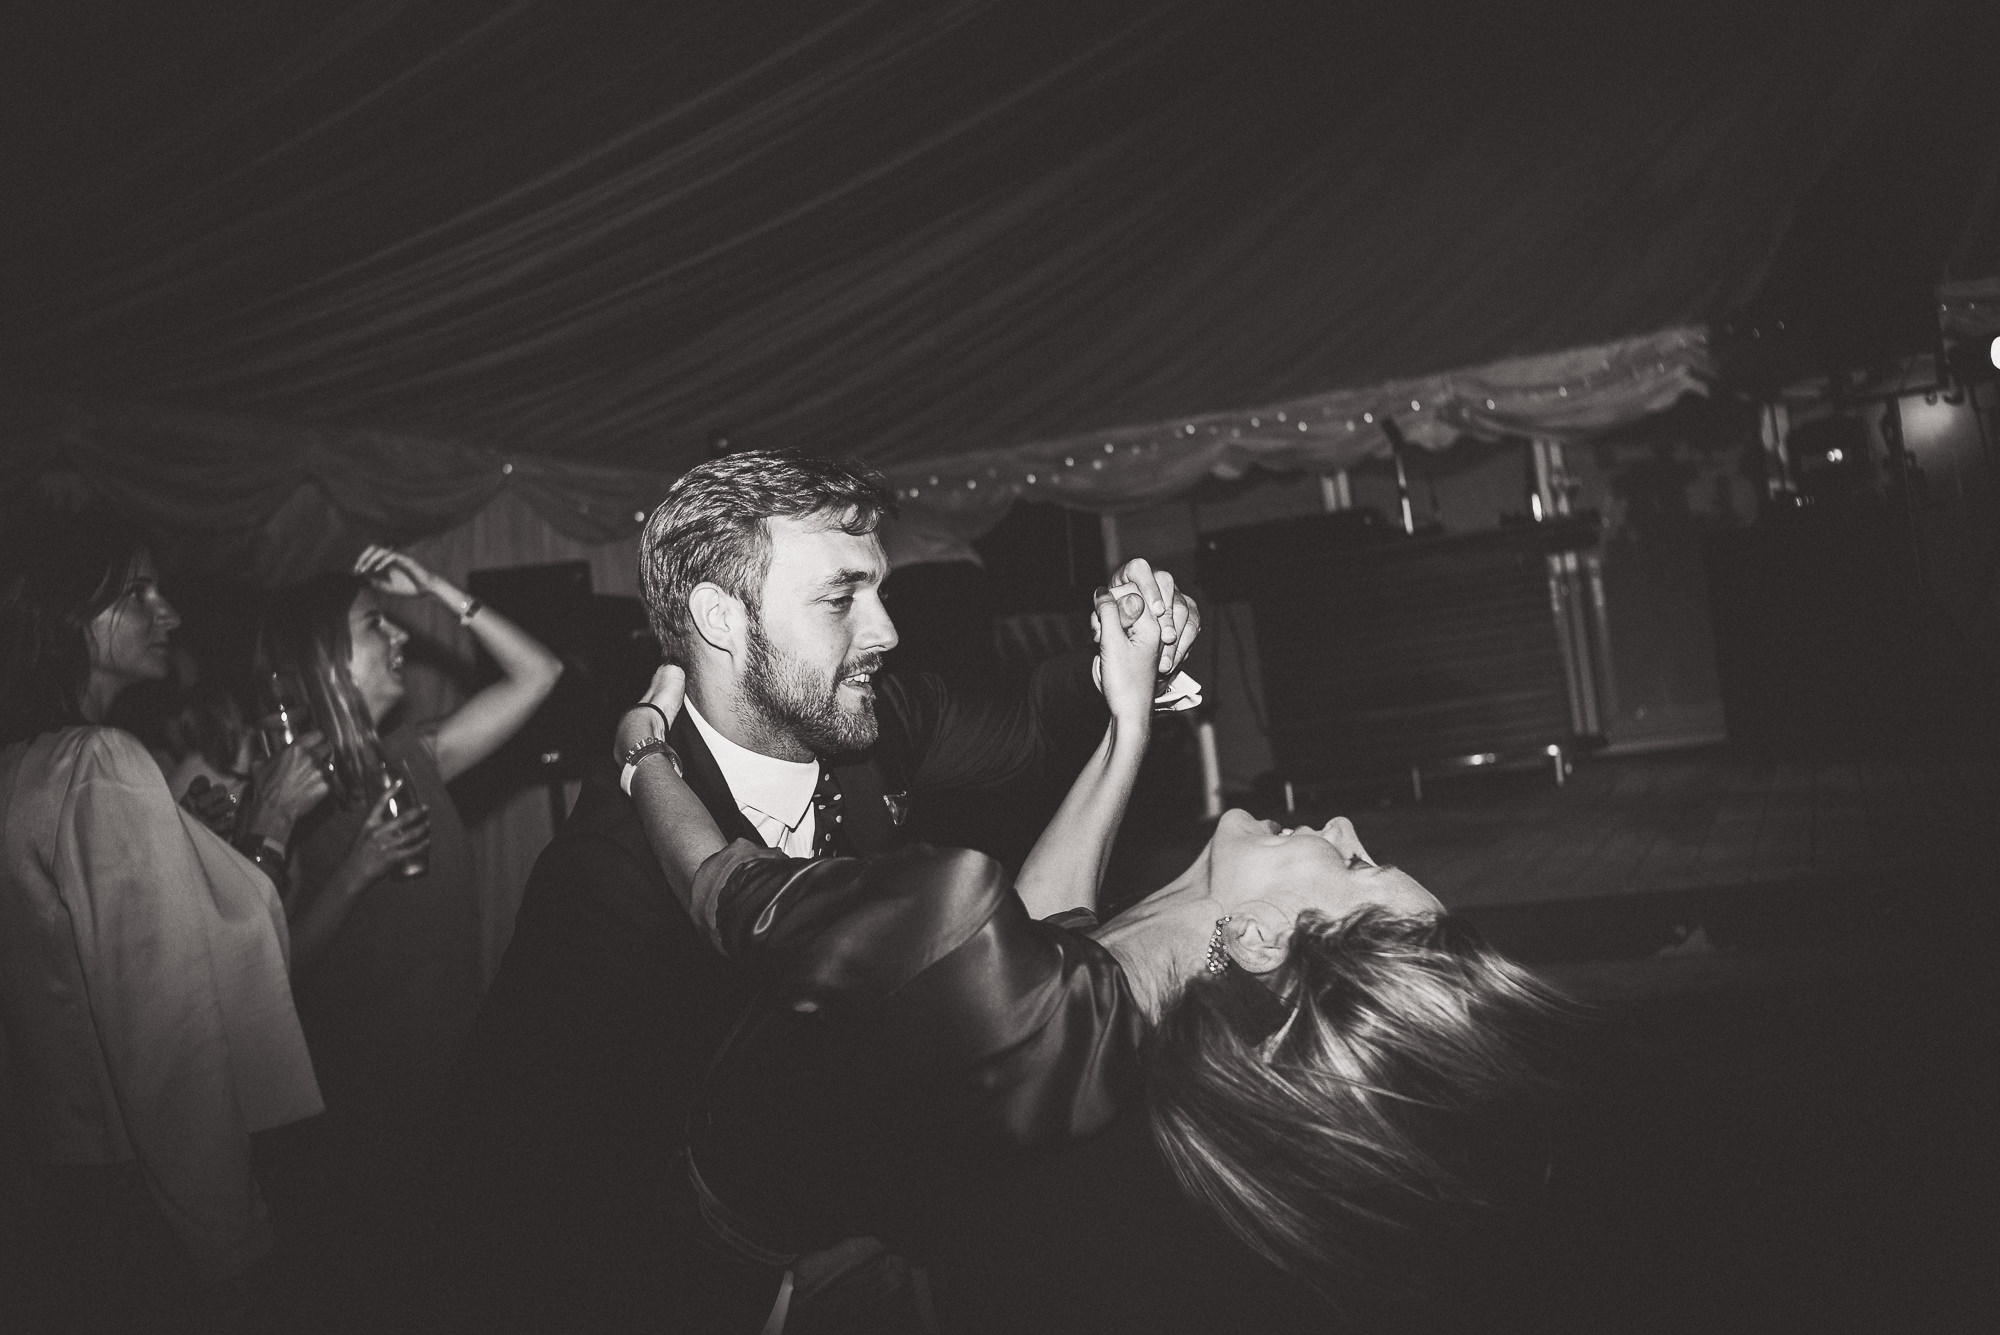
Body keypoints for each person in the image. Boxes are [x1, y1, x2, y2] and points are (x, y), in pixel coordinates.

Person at [617, 591, 1570, 1332]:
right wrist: (1127, 726)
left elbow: (717, 886)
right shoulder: (1133, 1030)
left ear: (1263, 937)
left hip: (682, 1255)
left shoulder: (965, 936)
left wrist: (643, 752)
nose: (1347, 827)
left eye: (1354, 864)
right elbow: (1046, 934)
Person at [447, 450, 1201, 1329]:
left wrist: (1133, 661)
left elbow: (1031, 716)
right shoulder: (606, 884)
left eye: (877, 590)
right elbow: (534, 1177)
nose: (884, 631)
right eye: (842, 598)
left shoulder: (872, 725)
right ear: (720, 616)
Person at [0, 513, 328, 1331]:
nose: (169, 612)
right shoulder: (99, 762)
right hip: (143, 1199)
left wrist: (195, 847)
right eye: (139, 591)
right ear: (70, 612)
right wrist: (233, 1245)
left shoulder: (25, 759)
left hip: (55, 1186)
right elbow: (164, 1027)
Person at [253, 544, 561, 1312]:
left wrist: (434, 588)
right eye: (373, 627)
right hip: (362, 1113)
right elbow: (264, 973)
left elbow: (540, 674)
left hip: (455, 1078)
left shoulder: (416, 756)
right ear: (324, 657)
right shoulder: (278, 790)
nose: (398, 640)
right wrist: (358, 868)